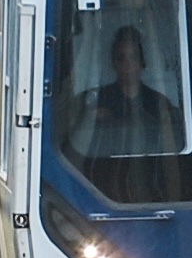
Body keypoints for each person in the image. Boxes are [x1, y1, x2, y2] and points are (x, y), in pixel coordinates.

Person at [68, 24, 182, 165]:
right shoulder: (96, 100)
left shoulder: (159, 102)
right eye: (121, 58)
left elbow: (171, 149)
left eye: (133, 57)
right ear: (113, 62)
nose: (127, 65)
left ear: (142, 62)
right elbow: (76, 149)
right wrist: (92, 120)